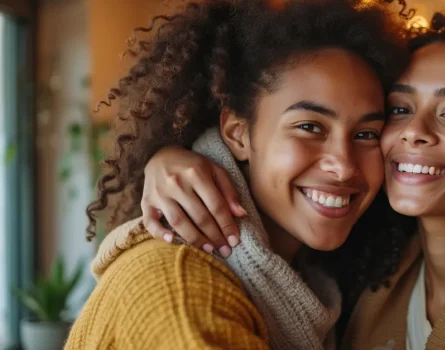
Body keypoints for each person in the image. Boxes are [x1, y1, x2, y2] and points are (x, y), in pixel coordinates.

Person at [107, 4, 445, 350]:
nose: (413, 134)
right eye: (398, 111)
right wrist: (170, 157)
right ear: (235, 133)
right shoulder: (360, 282)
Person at [65, 0, 409, 349]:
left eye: (366, 134)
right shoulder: (180, 287)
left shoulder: (318, 282)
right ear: (236, 132)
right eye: (309, 127)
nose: (345, 165)